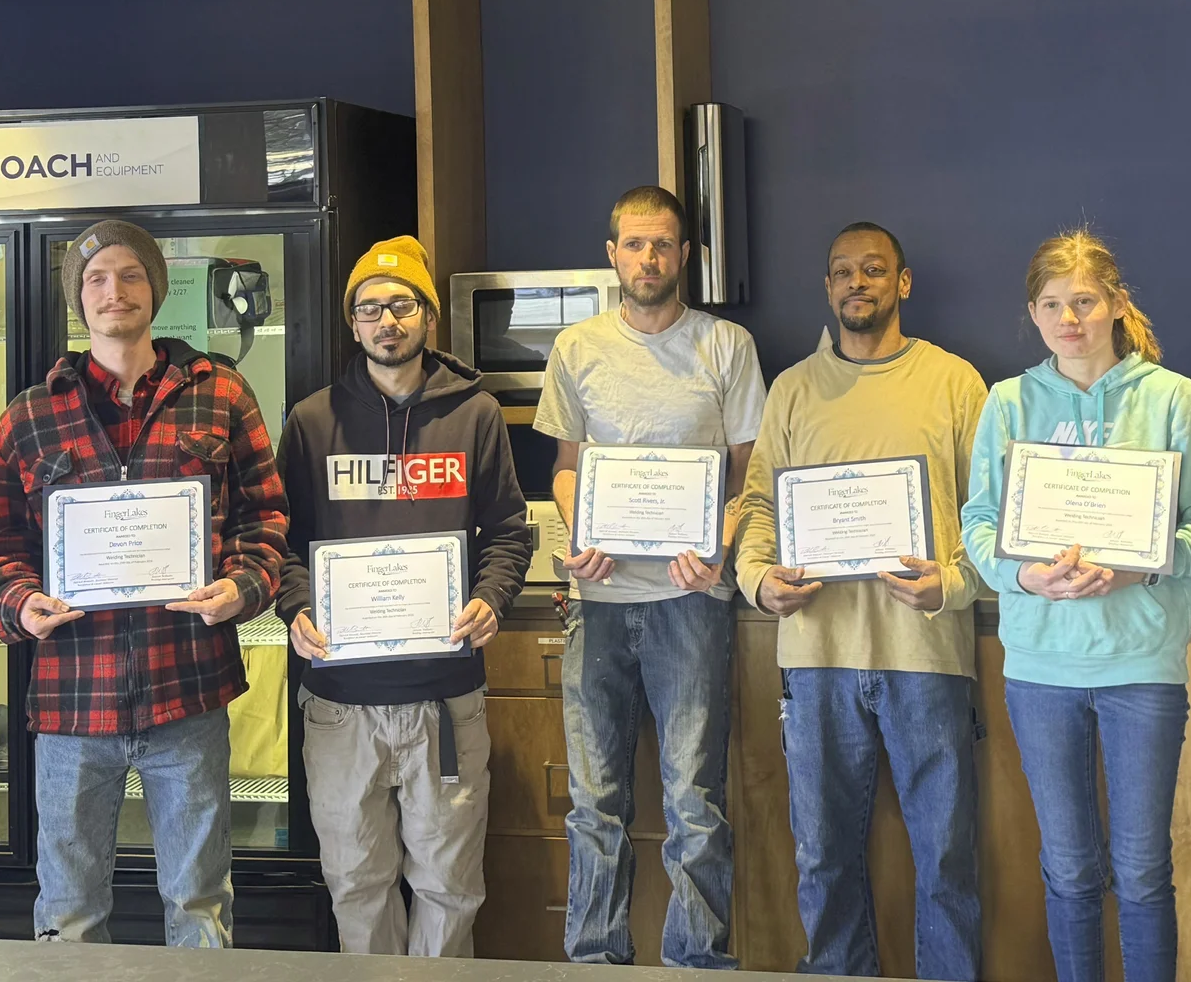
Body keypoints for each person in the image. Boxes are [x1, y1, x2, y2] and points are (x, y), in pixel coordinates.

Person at [0, 219, 288, 947]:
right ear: (77, 301)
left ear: (156, 288)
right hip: (70, 702)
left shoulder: (222, 394)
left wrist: (243, 585)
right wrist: (22, 605)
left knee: (200, 905)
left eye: (130, 275)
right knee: (70, 911)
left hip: (189, 691)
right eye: (95, 279)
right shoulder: (29, 415)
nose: (113, 291)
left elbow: (266, 517)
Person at [962, 230, 1191, 982]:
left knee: (1143, 870)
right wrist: (1027, 579)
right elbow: (979, 524)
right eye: (1052, 304)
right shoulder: (1008, 403)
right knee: (1070, 869)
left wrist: (1141, 566)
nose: (1069, 318)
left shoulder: (1171, 397)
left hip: (1141, 667)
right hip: (1040, 668)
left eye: (1084, 300)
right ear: (1033, 313)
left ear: (1116, 303)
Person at [735, 222, 987, 980]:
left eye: (874, 270)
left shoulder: (955, 382)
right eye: (842, 271)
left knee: (946, 859)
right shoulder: (792, 389)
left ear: (902, 283)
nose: (857, 283)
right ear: (827, 287)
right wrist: (758, 578)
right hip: (815, 659)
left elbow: (989, 513)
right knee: (822, 858)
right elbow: (755, 507)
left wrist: (955, 582)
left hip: (927, 655)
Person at [277, 235, 529, 958]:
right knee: (356, 880)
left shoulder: (475, 414)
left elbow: (510, 532)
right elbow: (278, 539)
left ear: (426, 317)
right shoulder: (312, 420)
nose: (386, 320)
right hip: (339, 702)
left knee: (450, 883)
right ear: (352, 325)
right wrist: (296, 607)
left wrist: (492, 596)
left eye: (401, 304)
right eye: (369, 308)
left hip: (445, 697)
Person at [534, 185, 766, 969]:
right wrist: (580, 531)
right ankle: (595, 959)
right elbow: (566, 469)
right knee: (594, 803)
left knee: (694, 802)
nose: (648, 258)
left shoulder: (725, 346)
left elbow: (749, 474)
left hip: (691, 600)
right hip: (598, 600)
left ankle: (697, 961)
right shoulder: (577, 348)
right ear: (613, 255)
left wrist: (721, 544)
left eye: (662, 244)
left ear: (685, 255)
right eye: (634, 245)